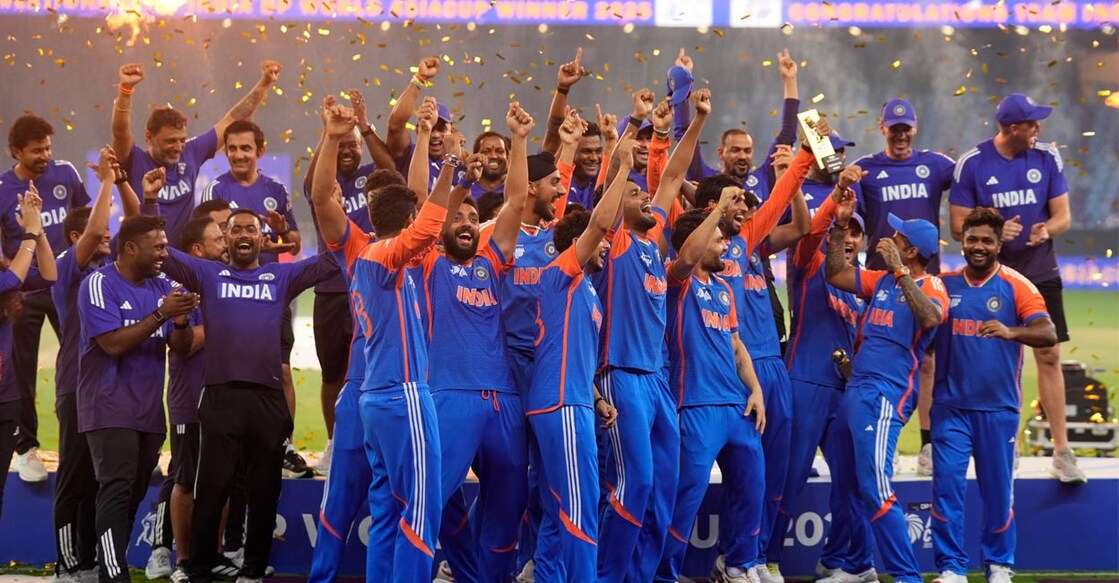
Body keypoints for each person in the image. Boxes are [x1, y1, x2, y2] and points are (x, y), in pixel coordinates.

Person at [157, 203, 336, 583]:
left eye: (249, 230)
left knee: (264, 490)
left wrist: (323, 207)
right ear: (226, 240)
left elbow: (332, 260)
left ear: (261, 238)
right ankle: (200, 569)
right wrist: (150, 202)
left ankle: (253, 570)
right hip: (221, 398)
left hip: (268, 399)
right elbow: (161, 251)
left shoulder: (280, 276)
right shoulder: (208, 272)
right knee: (213, 488)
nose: (241, 235)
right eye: (233, 230)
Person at [323, 101, 455, 582]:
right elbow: (428, 225)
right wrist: (453, 168)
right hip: (404, 394)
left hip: (376, 397)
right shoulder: (385, 255)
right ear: (407, 222)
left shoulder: (366, 260)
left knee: (387, 508)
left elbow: (420, 213)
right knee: (421, 510)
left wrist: (427, 147)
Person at [596, 89, 709, 583]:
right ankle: (606, 576)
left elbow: (674, 177)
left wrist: (693, 122)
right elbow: (618, 187)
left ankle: (646, 576)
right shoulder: (614, 241)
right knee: (633, 483)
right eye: (635, 194)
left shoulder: (649, 242)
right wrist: (624, 147)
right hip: (621, 377)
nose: (646, 197)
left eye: (646, 195)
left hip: (657, 381)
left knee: (665, 486)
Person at [691, 135, 813, 583]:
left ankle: (747, 558)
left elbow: (784, 197)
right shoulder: (694, 251)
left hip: (768, 364)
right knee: (718, 476)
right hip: (726, 370)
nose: (745, 209)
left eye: (746, 203)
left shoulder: (747, 242)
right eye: (736, 202)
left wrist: (805, 153)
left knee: (767, 473)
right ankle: (692, 564)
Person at [948, 93, 1084, 484]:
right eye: (1031, 124)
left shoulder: (1047, 157)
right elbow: (958, 227)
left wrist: (1047, 229)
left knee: (1050, 354)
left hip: (1041, 271)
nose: (1038, 129)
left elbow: (1063, 216)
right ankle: (1008, 443)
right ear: (1011, 128)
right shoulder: (973, 163)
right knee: (999, 358)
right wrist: (995, 228)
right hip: (996, 275)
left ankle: (1062, 449)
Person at [421, 103, 530, 582]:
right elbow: (432, 214)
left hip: (503, 400)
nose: (465, 222)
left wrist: (520, 140)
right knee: (430, 501)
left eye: (472, 217)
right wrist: (460, 181)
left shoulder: (491, 259)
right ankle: (440, 570)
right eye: (456, 216)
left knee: (509, 502)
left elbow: (519, 201)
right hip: (450, 396)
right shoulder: (427, 261)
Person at [526, 138, 634, 583]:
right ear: (577, 246)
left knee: (559, 507)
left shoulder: (586, 291)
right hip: (560, 404)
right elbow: (600, 223)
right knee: (581, 504)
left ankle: (545, 577)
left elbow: (573, 352)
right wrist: (622, 169)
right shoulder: (561, 274)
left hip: (574, 399)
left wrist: (595, 398)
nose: (606, 247)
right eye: (598, 242)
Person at [931, 207, 1057, 583]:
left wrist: (1011, 331)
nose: (979, 247)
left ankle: (999, 565)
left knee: (998, 492)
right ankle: (951, 568)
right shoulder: (943, 284)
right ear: (962, 241)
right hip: (950, 408)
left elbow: (1048, 333)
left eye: (987, 240)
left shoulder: (1018, 285)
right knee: (947, 488)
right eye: (972, 240)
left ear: (999, 244)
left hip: (997, 409)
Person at [825, 210, 948, 583]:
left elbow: (930, 318)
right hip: (856, 388)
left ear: (910, 251)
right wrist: (838, 227)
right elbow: (836, 273)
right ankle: (859, 566)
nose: (889, 238)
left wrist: (900, 272)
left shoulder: (931, 286)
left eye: (898, 237)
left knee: (875, 487)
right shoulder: (879, 281)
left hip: (885, 395)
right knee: (848, 485)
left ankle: (907, 576)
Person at [307, 129, 405, 583]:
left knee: (396, 503)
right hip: (362, 388)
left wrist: (423, 135)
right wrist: (330, 136)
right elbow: (321, 196)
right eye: (373, 199)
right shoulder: (356, 247)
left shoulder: (424, 250)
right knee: (340, 501)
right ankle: (321, 578)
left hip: (406, 394)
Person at [78, 214, 196, 583]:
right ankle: (113, 575)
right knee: (116, 488)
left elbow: (182, 348)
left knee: (130, 495)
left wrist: (178, 322)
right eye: (158, 246)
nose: (165, 252)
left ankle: (109, 565)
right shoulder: (98, 284)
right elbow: (112, 344)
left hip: (147, 410)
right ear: (131, 248)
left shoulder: (163, 285)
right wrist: (161, 312)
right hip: (107, 404)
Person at [656, 193, 767, 583]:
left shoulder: (723, 288)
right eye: (719, 240)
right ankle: (664, 573)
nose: (726, 245)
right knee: (685, 499)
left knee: (752, 488)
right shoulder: (677, 281)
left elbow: (736, 345)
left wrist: (755, 389)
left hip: (737, 407)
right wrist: (716, 209)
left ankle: (736, 565)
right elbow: (685, 259)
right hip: (695, 406)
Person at [199, 119, 310, 477]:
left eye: (246, 148)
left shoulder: (275, 188)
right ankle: (231, 444)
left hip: (270, 294)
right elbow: (206, 244)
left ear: (260, 151)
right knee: (231, 376)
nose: (238, 154)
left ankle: (284, 445)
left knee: (280, 371)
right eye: (232, 148)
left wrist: (280, 231)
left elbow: (294, 242)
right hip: (230, 294)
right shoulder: (215, 188)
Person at [53, 147, 143, 582]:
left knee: (101, 481)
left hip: (108, 393)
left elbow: (137, 226)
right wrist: (105, 180)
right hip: (74, 387)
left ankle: (92, 560)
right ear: (77, 238)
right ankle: (68, 563)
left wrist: (124, 183)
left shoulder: (111, 272)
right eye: (102, 239)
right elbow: (95, 230)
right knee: (73, 478)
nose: (108, 242)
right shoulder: (68, 270)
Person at [783, 172, 877, 583]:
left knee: (852, 484)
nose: (850, 239)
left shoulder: (861, 284)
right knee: (787, 479)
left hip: (844, 392)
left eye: (856, 233)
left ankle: (844, 562)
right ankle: (752, 559)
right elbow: (812, 232)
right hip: (804, 383)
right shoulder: (809, 262)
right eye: (845, 231)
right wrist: (837, 209)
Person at [855, 98, 956, 476]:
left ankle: (928, 445)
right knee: (875, 355)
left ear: (914, 128)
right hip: (879, 280)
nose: (900, 135)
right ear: (882, 128)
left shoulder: (936, 165)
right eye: (893, 128)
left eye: (906, 128)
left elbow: (970, 180)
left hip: (923, 281)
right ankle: (881, 436)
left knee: (927, 363)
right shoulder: (865, 169)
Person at [303, 89, 395, 476]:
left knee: (376, 369)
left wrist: (364, 126)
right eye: (340, 145)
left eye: (352, 144)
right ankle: (333, 442)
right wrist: (329, 134)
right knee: (331, 371)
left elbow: (394, 173)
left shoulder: (372, 183)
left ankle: (377, 443)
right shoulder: (326, 183)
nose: (346, 150)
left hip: (373, 287)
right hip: (331, 290)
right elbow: (312, 187)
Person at [1, 114, 89, 482]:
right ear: (16, 151)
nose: (45, 156)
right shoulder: (2, 188)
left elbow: (84, 218)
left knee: (85, 357)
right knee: (21, 371)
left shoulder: (65, 174)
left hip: (65, 285)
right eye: (37, 151)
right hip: (24, 293)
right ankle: (27, 448)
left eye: (49, 148)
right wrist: (11, 267)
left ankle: (90, 433)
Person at [111, 59, 280, 246]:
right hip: (144, 258)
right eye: (170, 141)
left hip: (183, 261)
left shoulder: (191, 152)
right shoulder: (135, 160)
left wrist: (264, 83)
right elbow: (120, 132)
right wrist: (125, 91)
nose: (178, 147)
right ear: (149, 137)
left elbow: (233, 118)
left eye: (182, 139)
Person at [146, 215, 229, 583]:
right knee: (185, 480)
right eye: (218, 239)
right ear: (198, 250)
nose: (226, 243)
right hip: (189, 399)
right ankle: (183, 559)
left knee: (223, 480)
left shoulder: (227, 284)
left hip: (226, 397)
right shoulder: (182, 290)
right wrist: (229, 321)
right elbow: (182, 346)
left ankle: (212, 554)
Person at [0, 184, 57, 516]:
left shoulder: (9, 272)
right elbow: (9, 283)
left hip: (6, 401)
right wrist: (30, 236)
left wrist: (40, 231)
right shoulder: (8, 279)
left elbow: (49, 276)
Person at [470, 130, 510, 197]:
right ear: (475, 157)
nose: (493, 156)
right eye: (486, 152)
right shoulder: (465, 193)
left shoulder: (515, 193)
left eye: (500, 151)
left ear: (508, 158)